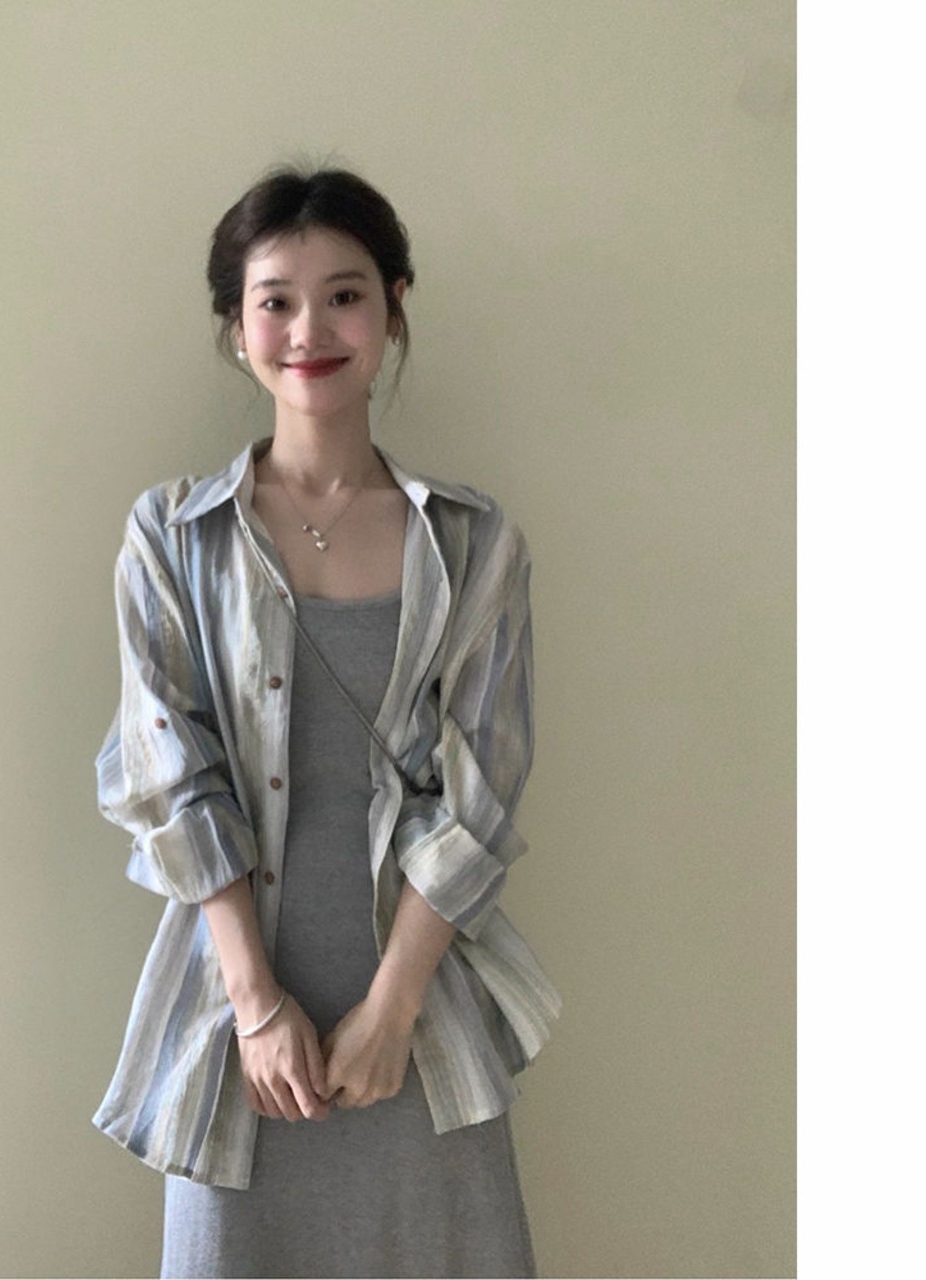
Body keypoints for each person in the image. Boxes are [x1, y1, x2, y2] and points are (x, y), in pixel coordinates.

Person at [92, 166, 561, 1279]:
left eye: (344, 295)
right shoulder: (174, 535)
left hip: (421, 1015)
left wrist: (393, 1009)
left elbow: (482, 786)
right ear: (236, 323)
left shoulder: (471, 542)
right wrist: (256, 1007)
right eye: (275, 300)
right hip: (233, 1015)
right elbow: (166, 773)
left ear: (393, 308)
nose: (309, 329)